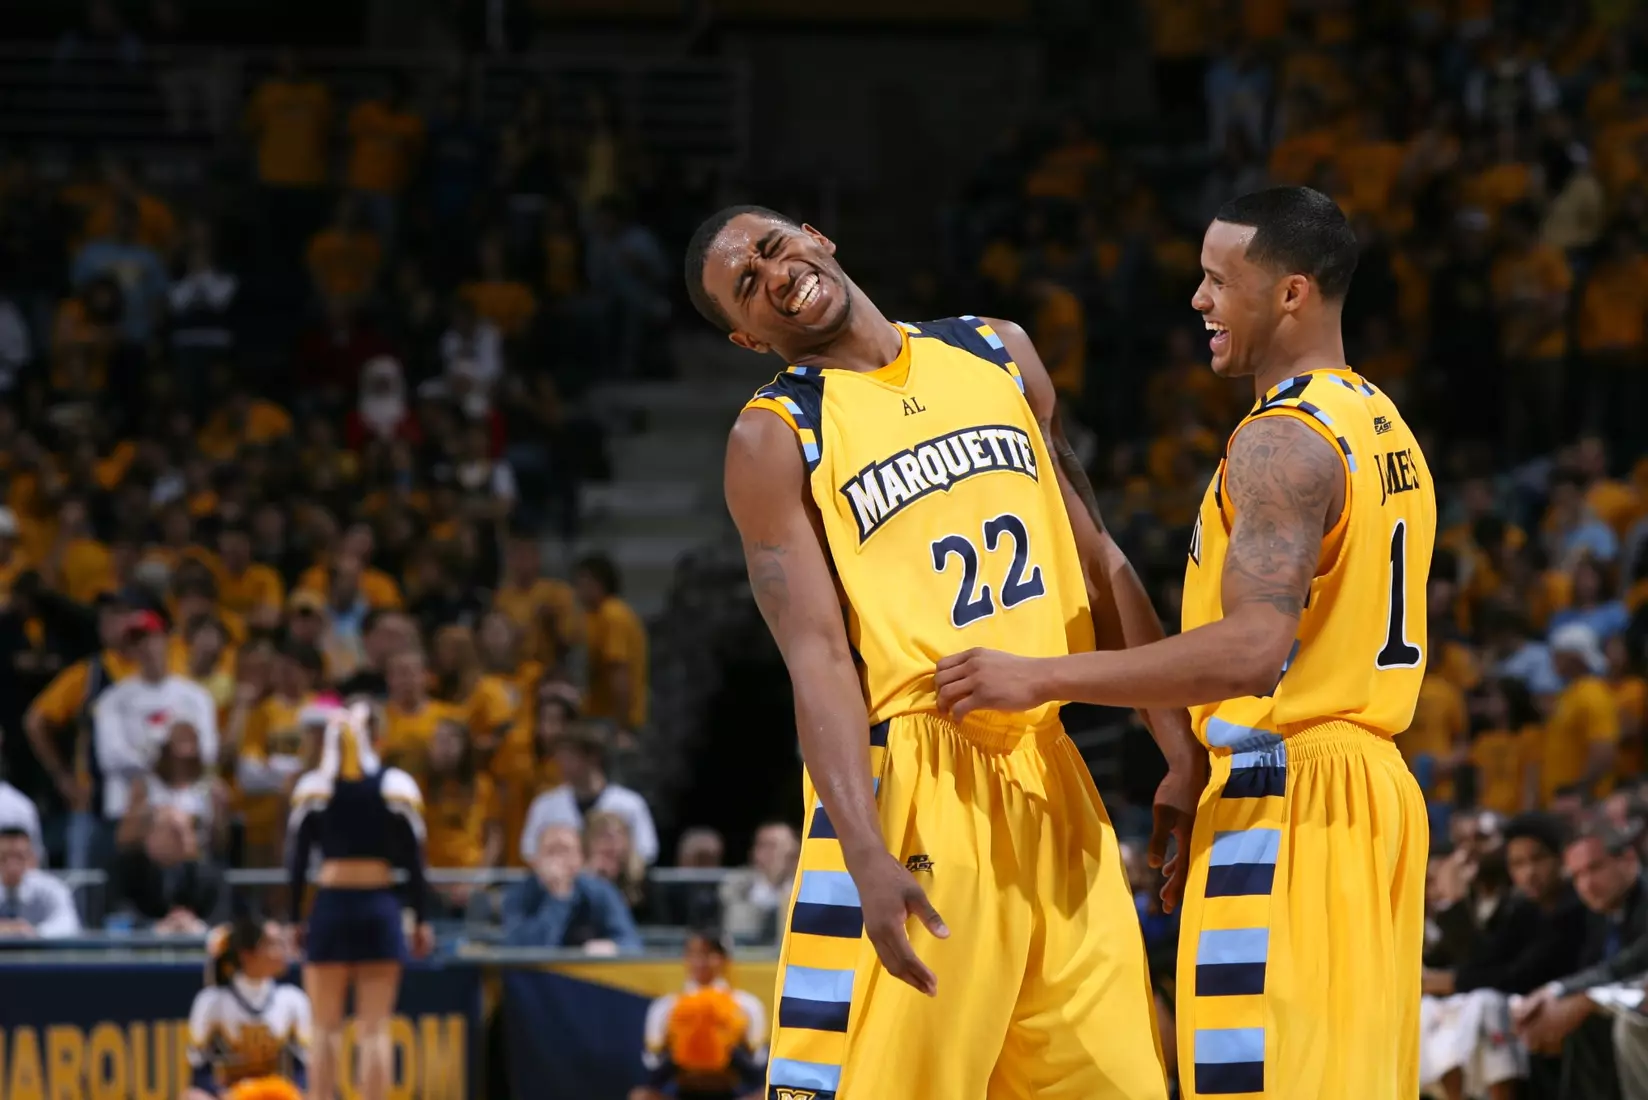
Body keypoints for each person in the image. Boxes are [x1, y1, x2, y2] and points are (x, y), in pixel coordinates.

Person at [933, 187, 1434, 1100]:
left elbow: (1248, 652)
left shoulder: (1280, 441)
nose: (1198, 300)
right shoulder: (1377, 420)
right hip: (1372, 800)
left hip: (1288, 795)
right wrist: (1182, 749)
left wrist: (1038, 676)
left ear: (1289, 294)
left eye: (1218, 281)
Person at [691, 203, 1193, 1099]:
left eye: (773, 248)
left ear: (817, 234)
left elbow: (1097, 557)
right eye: (746, 286)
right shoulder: (773, 436)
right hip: (919, 778)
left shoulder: (998, 350)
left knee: (1115, 1080)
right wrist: (864, 855)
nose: (774, 275)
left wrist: (1178, 748)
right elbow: (817, 660)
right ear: (743, 334)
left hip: (1051, 764)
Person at [287, 703, 433, 1100]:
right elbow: (417, 864)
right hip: (379, 907)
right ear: (378, 738)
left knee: (324, 1028)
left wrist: (292, 920)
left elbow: (297, 865)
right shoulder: (395, 786)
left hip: (331, 906)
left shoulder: (314, 787)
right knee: (375, 1028)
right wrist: (421, 919)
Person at [1513, 825, 1642, 1099]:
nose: (1586, 885)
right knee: (1557, 1022)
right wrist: (1554, 997)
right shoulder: (1600, 911)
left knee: (1607, 1023)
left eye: (1595, 868)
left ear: (1628, 859)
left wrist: (1566, 994)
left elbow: (1626, 965)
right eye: (1577, 876)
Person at [184, 918, 310, 1100]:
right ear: (247, 954)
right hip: (229, 1093)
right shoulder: (212, 1000)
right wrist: (225, 1094)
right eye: (274, 944)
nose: (284, 952)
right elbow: (199, 1070)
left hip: (277, 1093)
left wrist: (292, 1092)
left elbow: (302, 1067)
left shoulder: (292, 999)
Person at [633, 930, 766, 1100]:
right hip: (684, 1090)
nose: (701, 962)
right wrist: (679, 1046)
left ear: (724, 959)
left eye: (709, 954)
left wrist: (728, 1047)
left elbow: (757, 1065)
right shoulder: (666, 1007)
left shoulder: (746, 1005)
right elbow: (652, 1066)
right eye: (694, 954)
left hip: (728, 1091)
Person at [518, 720, 657, 864]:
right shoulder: (545, 804)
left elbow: (646, 850)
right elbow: (529, 850)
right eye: (559, 756)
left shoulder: (629, 803)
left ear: (592, 757)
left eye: (569, 756)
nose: (561, 763)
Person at [502, 822, 642, 953]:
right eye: (552, 851)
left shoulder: (601, 891)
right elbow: (523, 950)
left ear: (580, 859)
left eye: (566, 851)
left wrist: (613, 948)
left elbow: (632, 943)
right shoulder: (518, 895)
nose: (559, 860)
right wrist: (558, 898)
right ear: (536, 859)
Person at [0, 826, 80, 938]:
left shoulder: (51, 888)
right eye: (4, 858)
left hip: (39, 953)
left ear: (32, 858)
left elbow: (70, 925)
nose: (12, 866)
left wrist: (31, 932)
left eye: (19, 857)